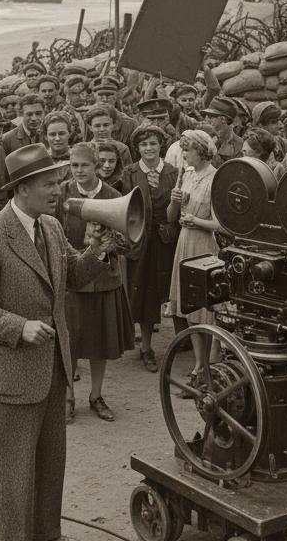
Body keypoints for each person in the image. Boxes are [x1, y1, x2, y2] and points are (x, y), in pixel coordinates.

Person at [0, 143, 112, 541]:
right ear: (22, 188)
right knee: (13, 467)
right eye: (48, 184)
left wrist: (96, 252)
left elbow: (72, 277)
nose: (58, 190)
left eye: (58, 182)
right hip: (14, 372)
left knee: (50, 457)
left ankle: (44, 530)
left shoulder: (51, 227)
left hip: (52, 367)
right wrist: (18, 327)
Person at [59, 143, 135, 421]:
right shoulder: (62, 193)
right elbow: (51, 230)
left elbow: (129, 241)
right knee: (69, 340)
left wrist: (112, 244)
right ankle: (68, 395)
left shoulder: (112, 196)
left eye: (84, 165)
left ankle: (96, 395)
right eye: (74, 165)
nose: (79, 171)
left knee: (99, 341)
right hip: (72, 277)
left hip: (104, 278)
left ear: (97, 166)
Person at [167, 129, 221, 384]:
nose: (184, 154)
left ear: (201, 151)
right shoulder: (186, 175)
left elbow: (220, 225)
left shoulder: (216, 178)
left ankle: (206, 366)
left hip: (204, 246)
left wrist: (195, 221)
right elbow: (171, 216)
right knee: (190, 308)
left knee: (204, 309)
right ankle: (199, 365)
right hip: (184, 243)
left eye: (187, 150)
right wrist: (174, 201)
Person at [125, 123, 179, 372]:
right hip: (140, 242)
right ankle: (146, 348)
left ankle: (183, 342)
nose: (149, 148)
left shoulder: (173, 172)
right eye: (144, 144)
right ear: (137, 148)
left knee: (169, 291)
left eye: (153, 143)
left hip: (166, 242)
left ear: (161, 146)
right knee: (144, 293)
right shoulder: (130, 173)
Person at [198, 96, 244, 167]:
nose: (207, 120)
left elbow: (230, 170)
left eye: (211, 117)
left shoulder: (238, 144)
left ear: (223, 119)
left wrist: (213, 151)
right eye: (206, 116)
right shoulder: (206, 135)